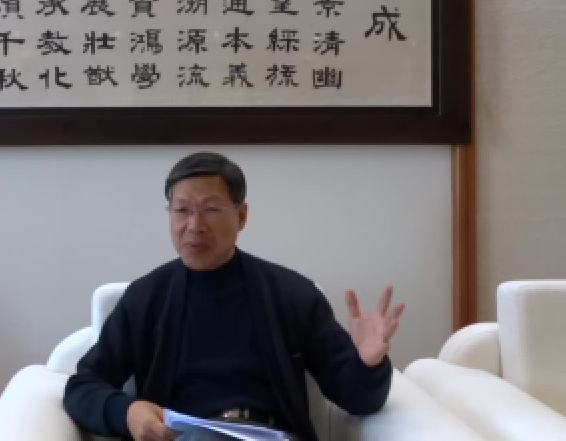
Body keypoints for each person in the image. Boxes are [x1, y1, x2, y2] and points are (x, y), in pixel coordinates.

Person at [63, 152, 406, 441]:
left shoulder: (291, 294)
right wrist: (126, 412)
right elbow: (82, 386)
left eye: (210, 210)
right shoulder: (146, 298)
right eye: (182, 210)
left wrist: (369, 364)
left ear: (241, 216)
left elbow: (359, 399)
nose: (194, 226)